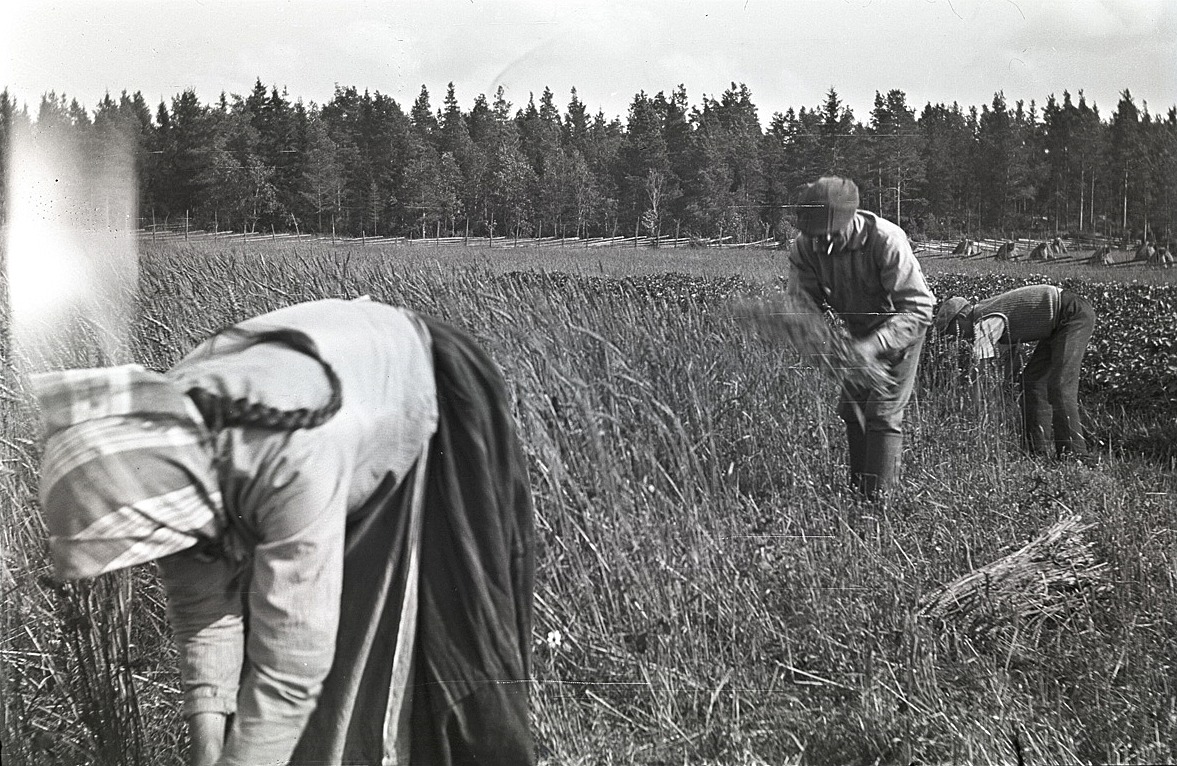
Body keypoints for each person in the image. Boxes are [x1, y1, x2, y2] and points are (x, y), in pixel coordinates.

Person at [32, 297, 536, 766]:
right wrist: (210, 753)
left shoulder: (288, 456)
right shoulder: (168, 449)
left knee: (391, 679)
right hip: (326, 426)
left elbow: (293, 666)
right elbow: (203, 614)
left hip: (415, 401)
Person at [786, 176, 936, 499]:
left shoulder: (886, 240)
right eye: (816, 237)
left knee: (882, 413)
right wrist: (819, 341)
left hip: (899, 331)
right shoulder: (806, 246)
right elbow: (801, 304)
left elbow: (920, 308)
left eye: (831, 236)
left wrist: (873, 346)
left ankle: (879, 504)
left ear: (851, 219)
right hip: (854, 336)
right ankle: (859, 493)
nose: (823, 245)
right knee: (852, 407)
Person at [934, 285, 1095, 460]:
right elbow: (1010, 359)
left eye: (955, 330)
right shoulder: (988, 313)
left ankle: (1075, 455)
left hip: (1071, 314)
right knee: (1032, 382)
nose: (960, 337)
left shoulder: (985, 320)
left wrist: (976, 408)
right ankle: (1036, 451)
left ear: (963, 316)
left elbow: (979, 370)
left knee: (1060, 385)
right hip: (1056, 324)